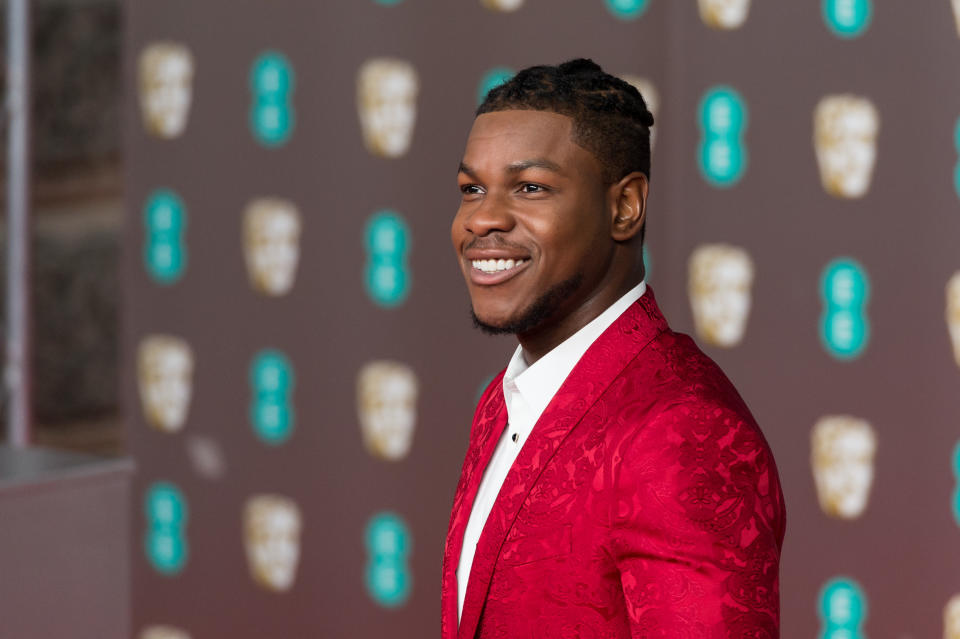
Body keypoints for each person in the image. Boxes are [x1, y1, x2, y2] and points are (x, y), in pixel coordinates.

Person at [441, 59, 786, 638]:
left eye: (530, 187)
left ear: (624, 207)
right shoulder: (505, 404)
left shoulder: (680, 430)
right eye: (472, 188)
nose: (484, 218)